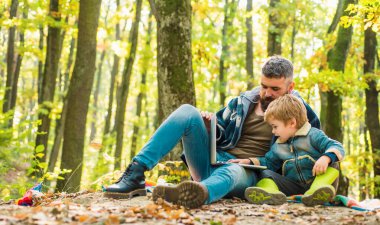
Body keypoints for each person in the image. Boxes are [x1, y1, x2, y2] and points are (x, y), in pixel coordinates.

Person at [104, 56, 321, 208]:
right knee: (188, 112)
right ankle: (135, 173)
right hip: (213, 162)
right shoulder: (242, 102)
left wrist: (251, 161)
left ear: (290, 87)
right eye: (264, 86)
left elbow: (303, 156)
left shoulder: (300, 116)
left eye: (275, 89)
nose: (267, 93)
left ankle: (195, 194)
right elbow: (222, 134)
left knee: (232, 171)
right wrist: (210, 126)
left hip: (248, 174)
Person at [244, 94, 344, 206]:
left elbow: (337, 146)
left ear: (292, 123)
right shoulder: (278, 145)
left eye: (275, 126)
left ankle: (317, 193)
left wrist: (325, 158)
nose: (273, 131)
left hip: (317, 182)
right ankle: (270, 194)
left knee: (333, 161)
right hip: (294, 186)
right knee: (266, 173)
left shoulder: (313, 135)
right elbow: (268, 162)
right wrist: (249, 161)